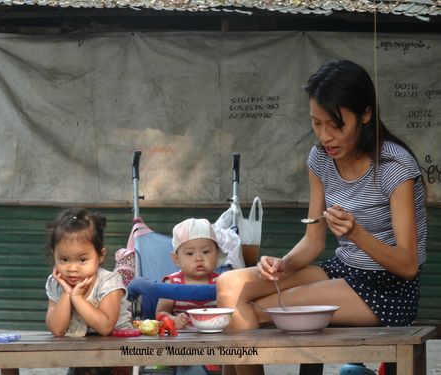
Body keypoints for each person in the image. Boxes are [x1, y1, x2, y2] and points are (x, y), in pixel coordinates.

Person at [216, 59, 427, 375]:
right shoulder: (321, 159)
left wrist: (357, 234)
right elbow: (314, 241)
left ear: (366, 115)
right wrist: (283, 265)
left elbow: (408, 266)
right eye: (317, 124)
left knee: (246, 308)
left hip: (387, 287)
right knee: (229, 285)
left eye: (336, 124)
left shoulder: (394, 168)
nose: (326, 136)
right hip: (343, 270)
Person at [45, 207, 133, 375]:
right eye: (63, 259)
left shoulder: (109, 282)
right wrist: (67, 294)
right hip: (80, 354)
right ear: (54, 255)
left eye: (82, 260)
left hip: (116, 354)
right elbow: (57, 329)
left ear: (100, 256)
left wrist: (77, 299)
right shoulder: (56, 283)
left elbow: (106, 327)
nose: (72, 268)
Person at [156, 218, 228, 330]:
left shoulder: (222, 282)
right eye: (190, 253)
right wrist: (172, 320)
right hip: (181, 339)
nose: (199, 258)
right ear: (176, 259)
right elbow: (160, 313)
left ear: (217, 254)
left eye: (206, 252)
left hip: (215, 336)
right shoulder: (171, 283)